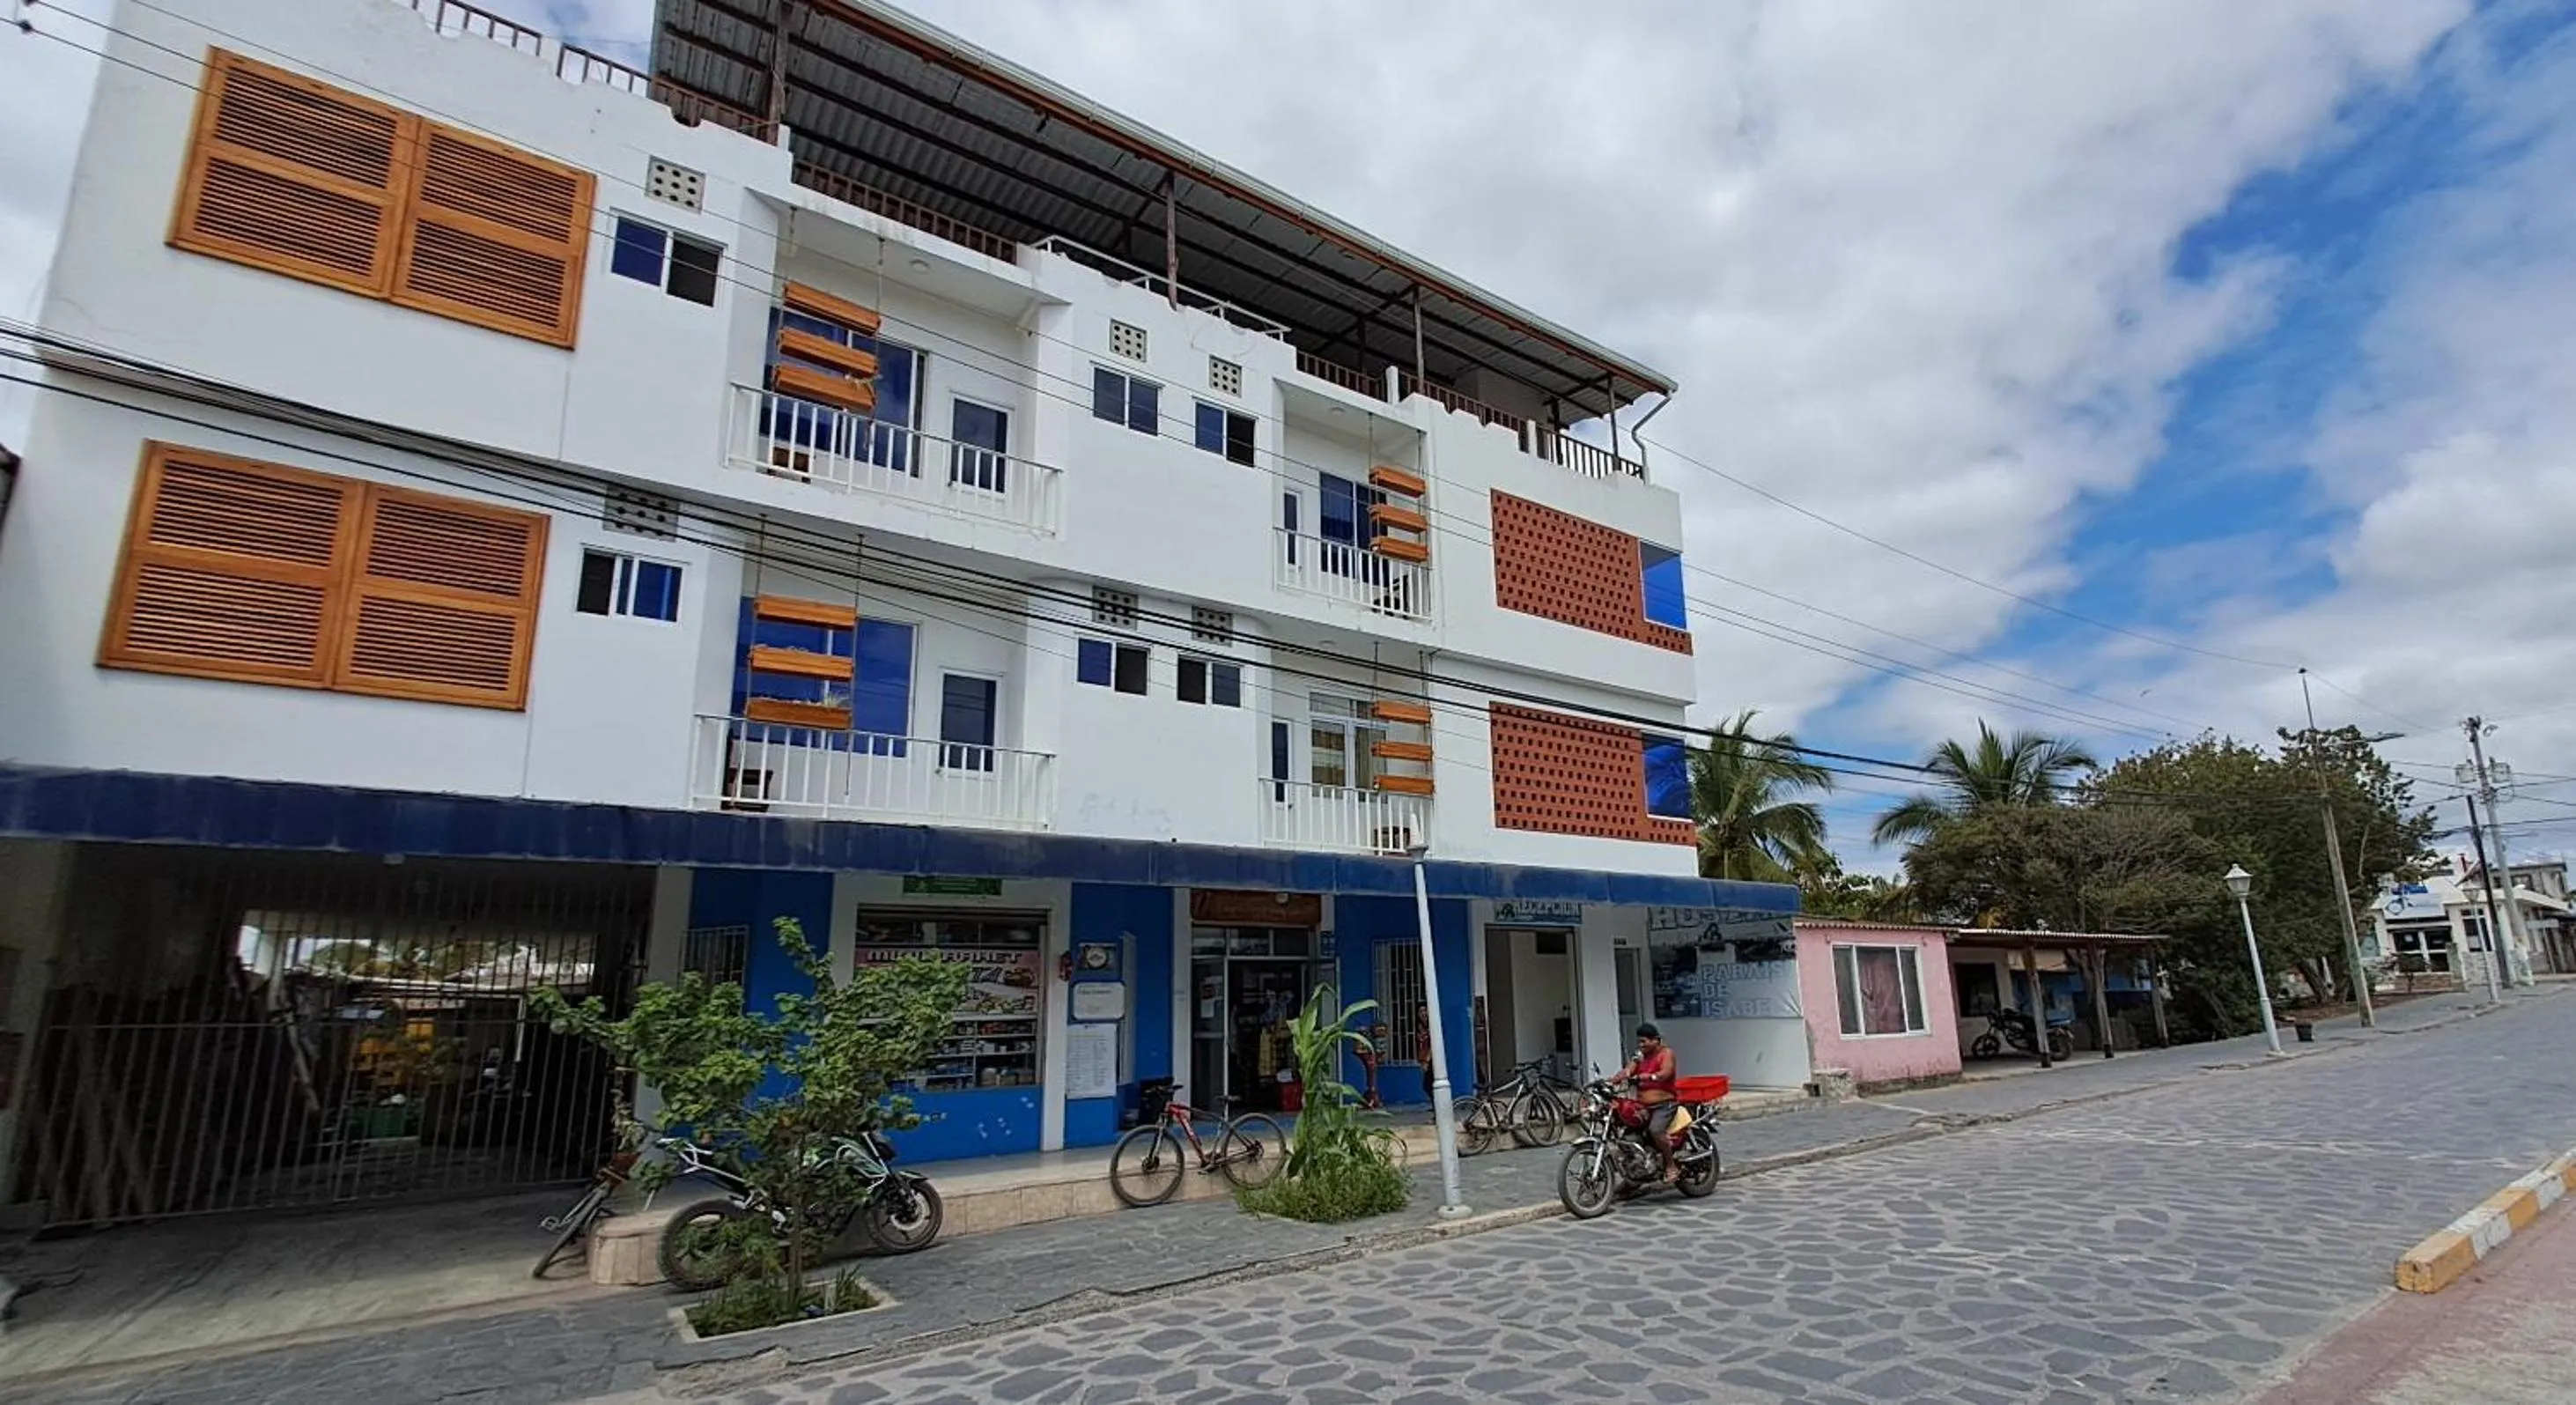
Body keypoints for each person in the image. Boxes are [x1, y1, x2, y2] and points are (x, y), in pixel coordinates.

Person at [1615, 1022, 1680, 1183]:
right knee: (1626, 1133)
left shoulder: (1666, 1054)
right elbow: (1629, 1070)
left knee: (1656, 1130)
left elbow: (1666, 1073)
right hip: (1643, 1106)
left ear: (1656, 1040)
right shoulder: (1640, 1056)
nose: (1641, 1045)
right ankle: (1633, 1176)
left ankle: (1671, 1166)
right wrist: (1618, 1078)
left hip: (1665, 1104)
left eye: (1644, 1041)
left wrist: (1648, 1076)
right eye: (1639, 1041)